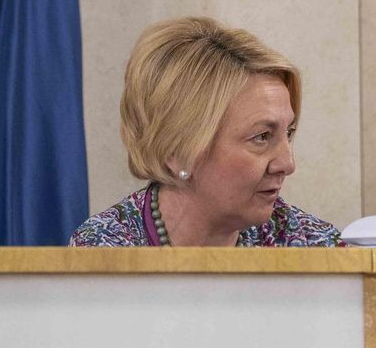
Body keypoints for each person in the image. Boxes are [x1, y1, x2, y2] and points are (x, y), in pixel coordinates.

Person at [70, 17, 340, 247]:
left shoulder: (313, 246)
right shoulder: (103, 255)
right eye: (261, 137)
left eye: (288, 133)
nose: (287, 164)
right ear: (176, 152)